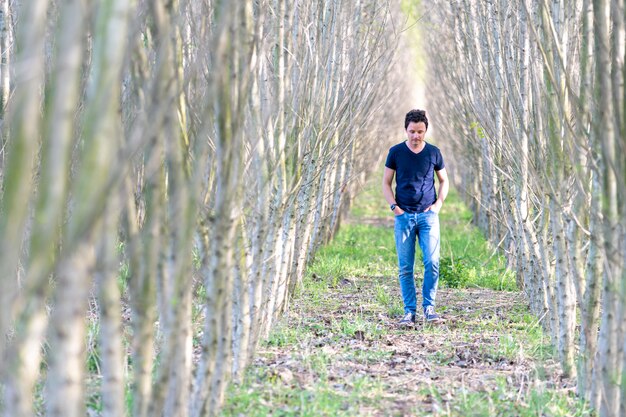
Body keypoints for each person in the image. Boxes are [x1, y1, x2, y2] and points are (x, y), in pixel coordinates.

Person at [382, 109, 449, 326]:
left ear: (426, 130)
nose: (416, 136)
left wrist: (438, 205)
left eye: (420, 131)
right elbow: (386, 183)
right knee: (405, 267)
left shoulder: (434, 153)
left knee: (432, 262)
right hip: (404, 217)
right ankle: (409, 313)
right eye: (412, 131)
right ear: (405, 130)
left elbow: (444, 181)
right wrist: (394, 207)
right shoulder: (395, 152)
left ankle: (429, 309)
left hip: (428, 217)